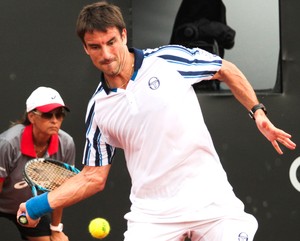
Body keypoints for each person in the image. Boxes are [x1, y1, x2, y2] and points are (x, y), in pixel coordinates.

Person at [17, 2, 296, 241]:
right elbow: (92, 177)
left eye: (111, 42)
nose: (106, 54)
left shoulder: (167, 60)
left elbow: (225, 69)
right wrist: (35, 206)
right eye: (95, 46)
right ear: (85, 49)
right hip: (152, 217)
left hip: (212, 204)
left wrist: (258, 112)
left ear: (124, 36)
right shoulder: (98, 109)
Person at [0, 86, 75, 241]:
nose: (55, 120)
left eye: (60, 115)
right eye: (48, 115)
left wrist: (56, 229)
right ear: (32, 117)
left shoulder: (66, 144)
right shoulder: (8, 143)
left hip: (29, 208)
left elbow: (60, 191)